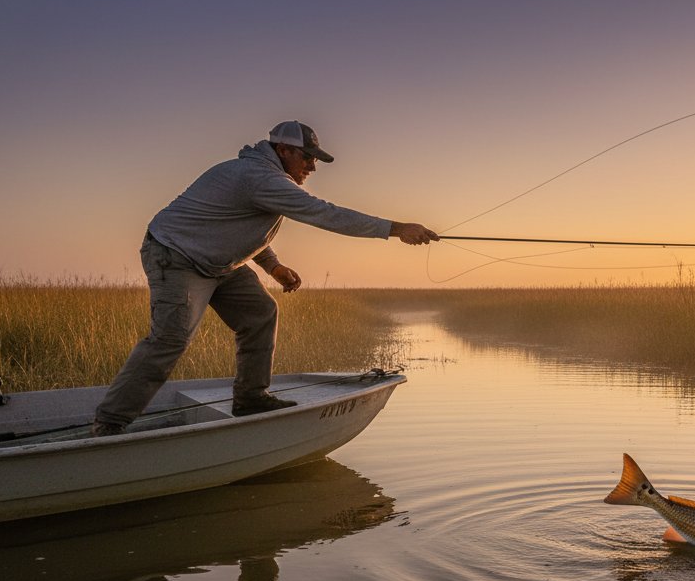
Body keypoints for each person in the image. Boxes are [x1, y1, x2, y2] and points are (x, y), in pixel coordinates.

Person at [92, 121, 437, 436]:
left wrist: (272, 266)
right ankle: (110, 423)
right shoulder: (260, 178)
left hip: (219, 262)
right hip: (176, 256)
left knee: (260, 312)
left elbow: (235, 226)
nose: (312, 166)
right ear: (283, 151)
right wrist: (397, 229)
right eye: (307, 157)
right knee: (170, 338)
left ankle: (251, 398)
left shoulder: (266, 178)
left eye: (315, 160)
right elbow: (324, 214)